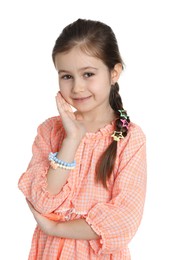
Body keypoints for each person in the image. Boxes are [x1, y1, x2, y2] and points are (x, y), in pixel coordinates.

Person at [18, 18, 147, 260]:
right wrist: (72, 140)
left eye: (88, 74)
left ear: (114, 73)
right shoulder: (50, 131)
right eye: (66, 76)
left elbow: (124, 219)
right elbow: (42, 201)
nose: (77, 87)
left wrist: (56, 228)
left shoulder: (130, 138)